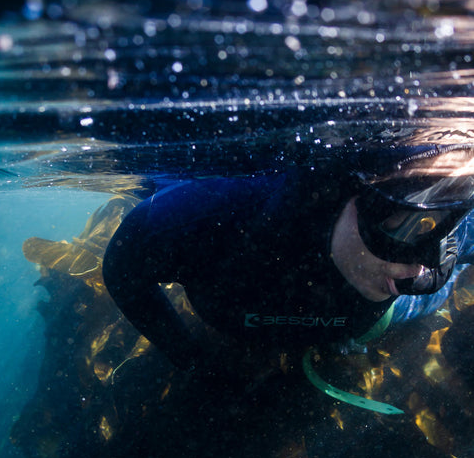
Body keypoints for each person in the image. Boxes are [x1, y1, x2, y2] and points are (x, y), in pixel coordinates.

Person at [102, 139, 474, 384]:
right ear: (344, 193)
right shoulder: (217, 217)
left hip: (372, 322)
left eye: (447, 227)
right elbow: (123, 266)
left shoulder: (429, 269)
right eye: (407, 225)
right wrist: (190, 358)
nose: (420, 268)